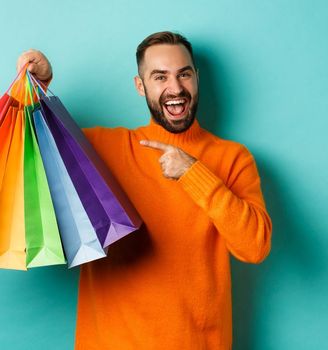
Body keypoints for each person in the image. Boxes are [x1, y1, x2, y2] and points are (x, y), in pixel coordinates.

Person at [16, 31, 272, 349]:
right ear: (141, 86)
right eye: (160, 77)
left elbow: (254, 247)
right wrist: (39, 90)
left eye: (184, 74)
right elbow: (24, 152)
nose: (175, 89)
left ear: (196, 79)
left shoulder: (233, 158)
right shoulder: (100, 149)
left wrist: (195, 173)